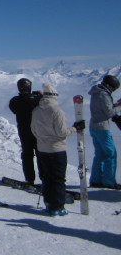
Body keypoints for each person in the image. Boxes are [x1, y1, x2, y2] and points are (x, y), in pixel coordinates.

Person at [31, 83, 85, 216]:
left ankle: (49, 203)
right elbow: (61, 132)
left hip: (42, 149)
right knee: (58, 179)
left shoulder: (36, 110)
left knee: (47, 177)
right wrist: (75, 128)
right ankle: (58, 206)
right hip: (57, 149)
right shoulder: (57, 111)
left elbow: (33, 130)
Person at [88, 75, 121, 189]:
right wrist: (118, 109)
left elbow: (105, 108)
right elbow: (109, 112)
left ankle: (95, 180)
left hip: (94, 126)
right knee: (111, 154)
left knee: (100, 154)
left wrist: (116, 105)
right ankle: (108, 181)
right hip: (102, 127)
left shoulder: (96, 92)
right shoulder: (103, 94)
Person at [9, 78, 43, 184]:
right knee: (41, 154)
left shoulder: (15, 100)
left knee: (27, 155)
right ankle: (44, 178)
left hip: (24, 131)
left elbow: (14, 109)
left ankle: (29, 179)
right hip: (38, 131)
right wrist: (39, 95)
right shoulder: (38, 99)